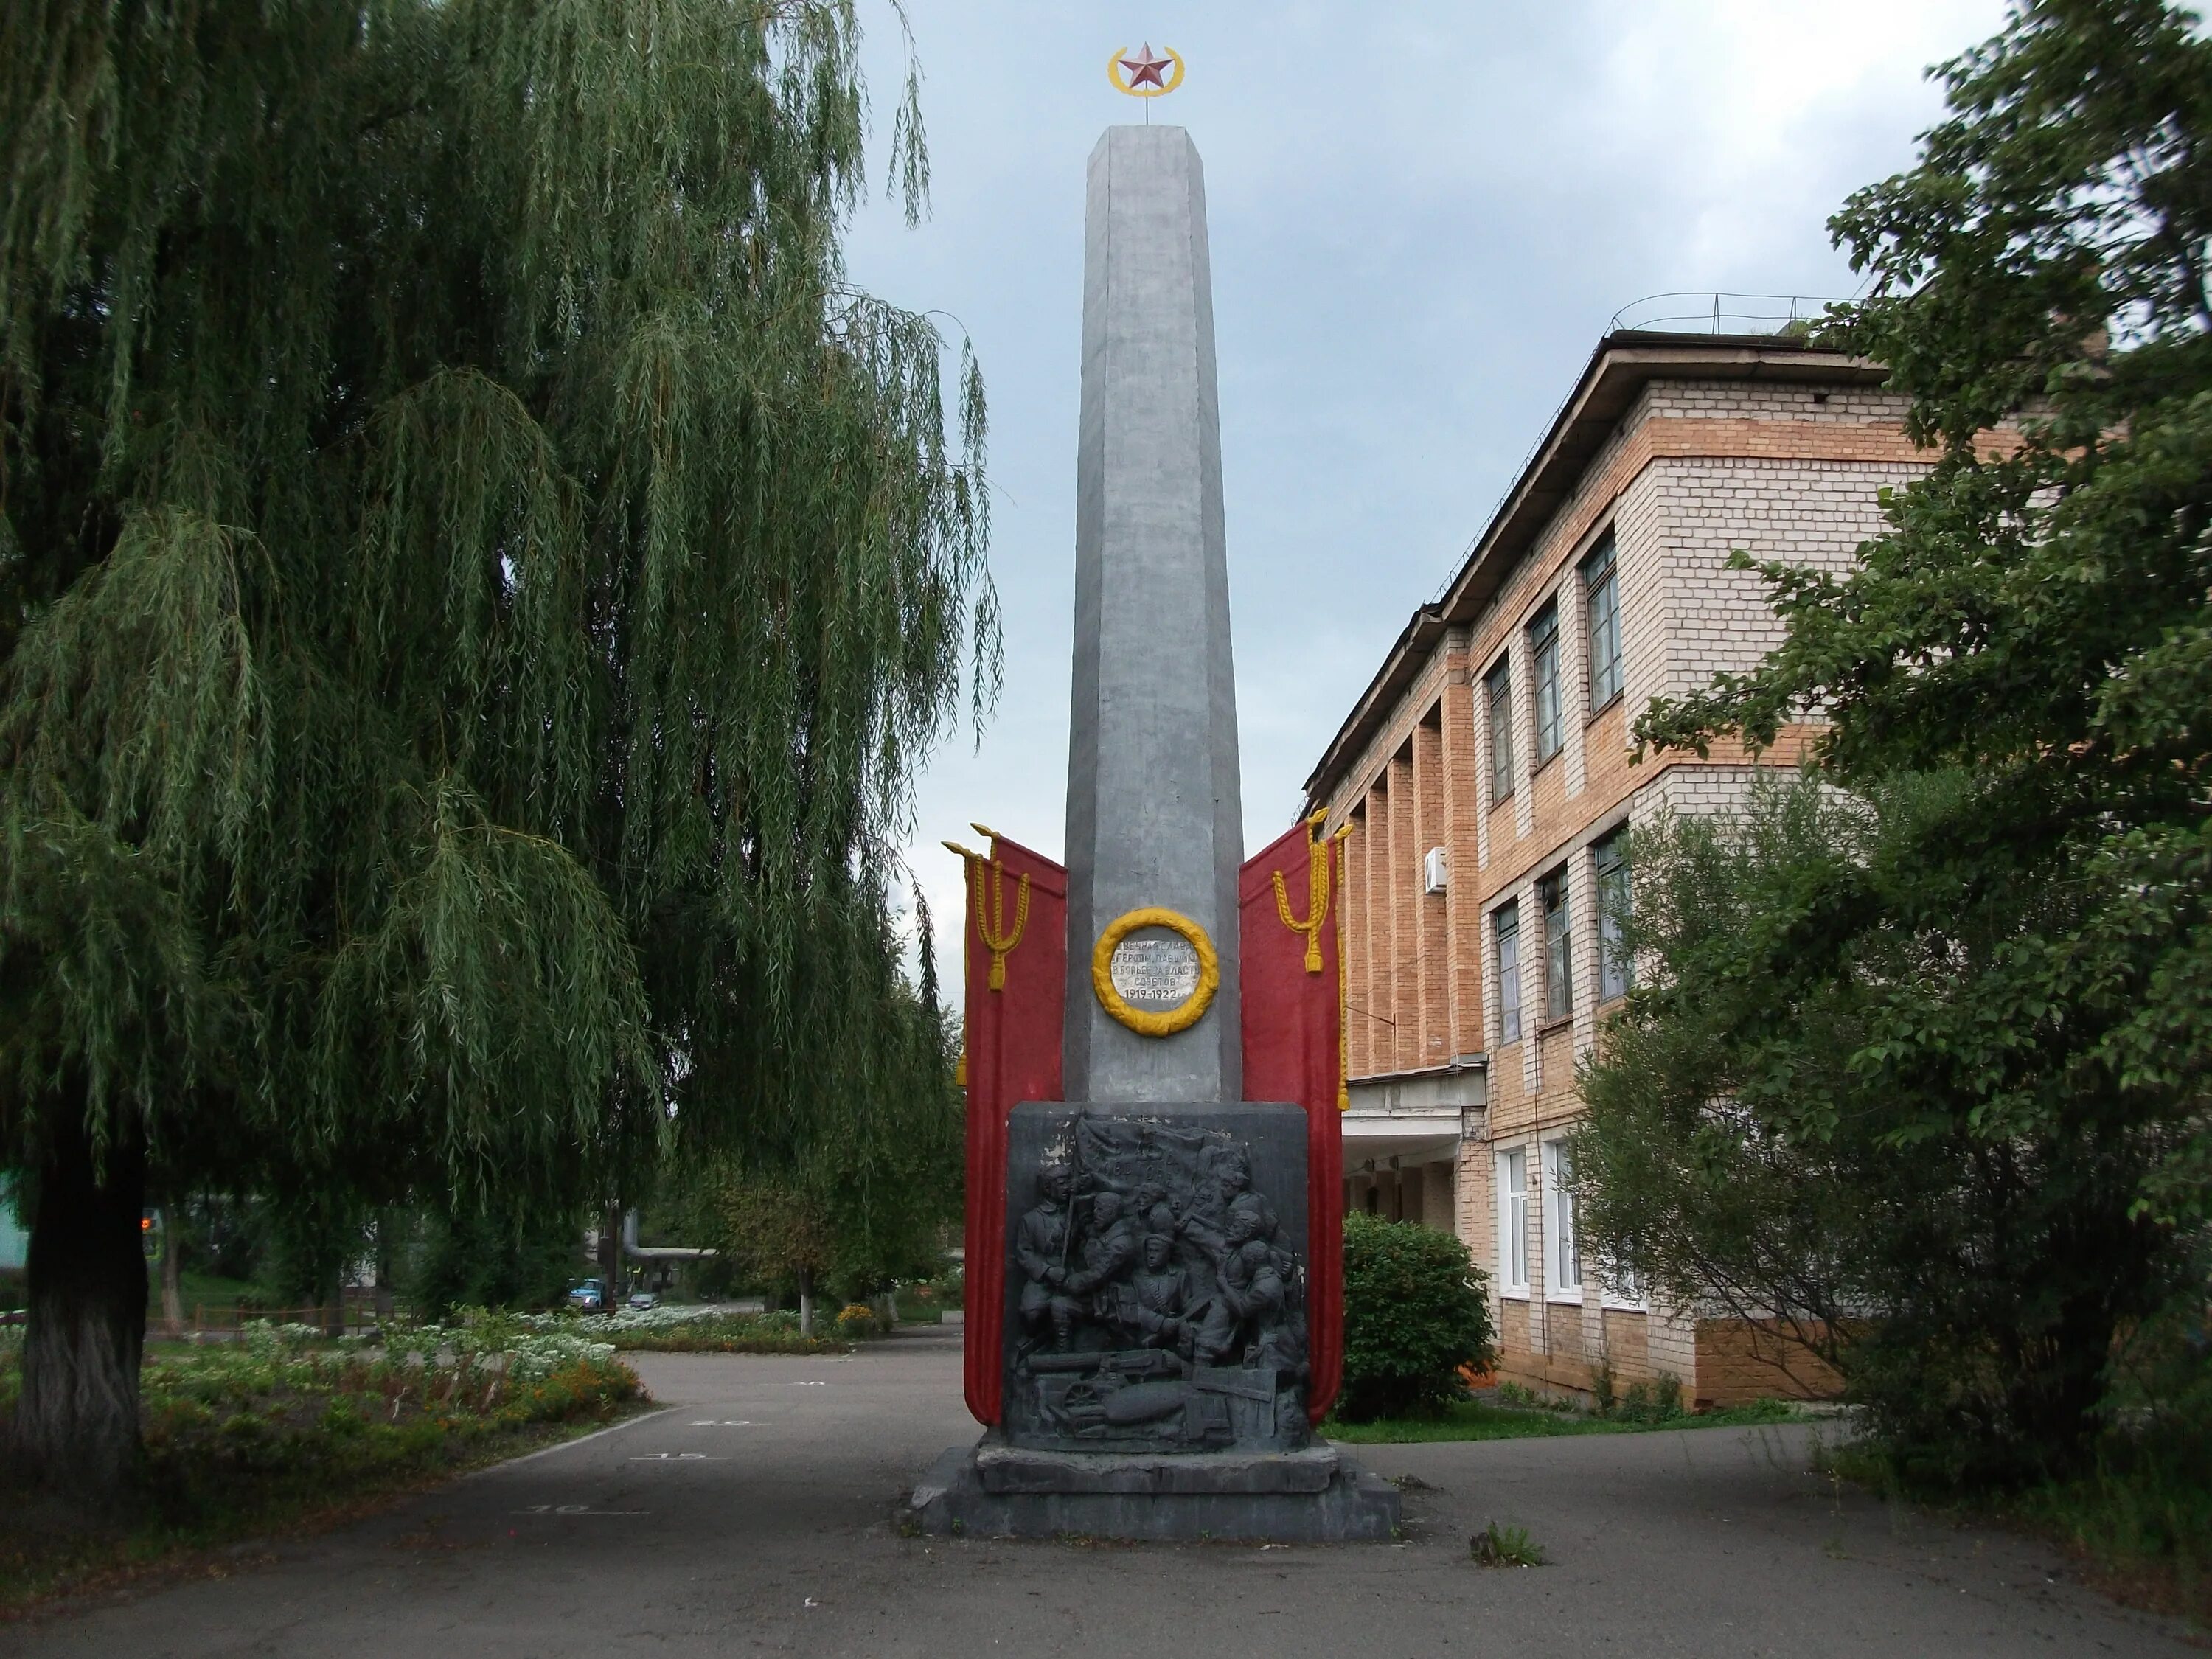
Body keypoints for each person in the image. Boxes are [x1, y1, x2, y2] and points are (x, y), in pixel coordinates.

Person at [1014, 1166, 1078, 1351]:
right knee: (1030, 1312)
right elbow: (1024, 1252)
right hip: (1043, 1278)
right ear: (1048, 1189)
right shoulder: (1031, 1219)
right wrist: (1048, 1272)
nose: (1067, 1187)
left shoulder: (1074, 1214)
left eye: (1068, 1182)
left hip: (1070, 1273)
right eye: (1062, 1183)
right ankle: (1042, 1340)